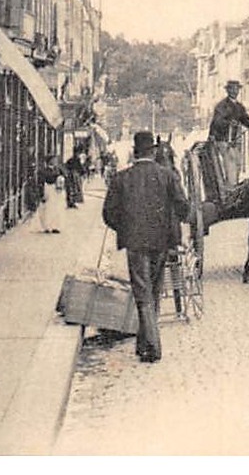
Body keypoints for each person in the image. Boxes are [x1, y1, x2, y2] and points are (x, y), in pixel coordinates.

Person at [102, 131, 190, 363]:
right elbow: (183, 207)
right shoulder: (167, 176)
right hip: (161, 243)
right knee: (153, 292)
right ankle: (146, 344)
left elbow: (108, 214)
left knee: (143, 293)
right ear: (152, 152)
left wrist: (126, 229)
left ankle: (151, 345)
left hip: (135, 244)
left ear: (135, 152)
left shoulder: (121, 178)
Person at [209, 80, 249, 148]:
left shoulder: (239, 106)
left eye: (236, 89)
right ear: (227, 91)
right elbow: (217, 122)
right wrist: (229, 123)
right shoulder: (221, 105)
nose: (234, 91)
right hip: (221, 140)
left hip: (234, 140)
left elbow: (245, 119)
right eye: (232, 89)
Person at [37, 154, 64, 233]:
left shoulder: (58, 170)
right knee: (48, 208)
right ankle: (47, 226)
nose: (55, 161)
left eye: (56, 160)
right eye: (54, 160)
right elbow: (42, 181)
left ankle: (55, 226)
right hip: (48, 189)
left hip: (55, 191)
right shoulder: (44, 171)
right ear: (49, 161)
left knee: (56, 208)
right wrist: (42, 193)